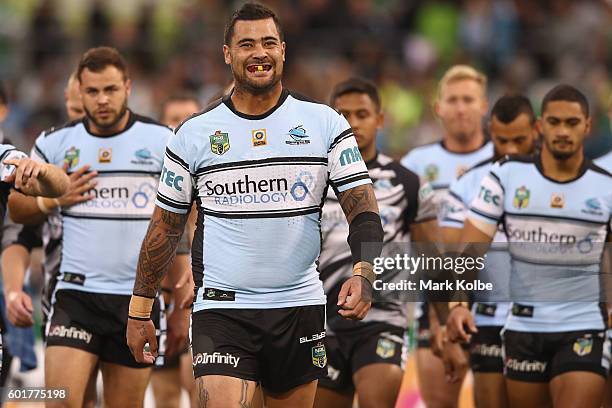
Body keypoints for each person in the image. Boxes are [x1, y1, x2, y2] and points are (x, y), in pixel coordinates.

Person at [126, 4, 384, 408]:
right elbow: (165, 226)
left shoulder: (326, 123)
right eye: (246, 44)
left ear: (283, 49)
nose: (259, 53)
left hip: (298, 306)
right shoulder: (194, 134)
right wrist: (140, 310)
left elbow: (363, 210)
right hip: (221, 309)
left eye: (268, 43)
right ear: (227, 53)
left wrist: (364, 272)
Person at [8, 46, 174, 408]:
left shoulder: (162, 141)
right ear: (78, 92)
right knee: (60, 402)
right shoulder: (53, 143)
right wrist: (52, 198)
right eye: (93, 91)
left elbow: (179, 219)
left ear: (128, 87)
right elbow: (16, 210)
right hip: (75, 295)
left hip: (137, 301)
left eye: (110, 89)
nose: (102, 99)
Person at [447, 85, 612, 408]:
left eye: (572, 122)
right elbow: (469, 251)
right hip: (523, 326)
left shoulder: (606, 186)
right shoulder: (505, 177)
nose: (563, 131)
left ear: (588, 126)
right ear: (540, 126)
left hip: (584, 326)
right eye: (554, 122)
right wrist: (457, 304)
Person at [314, 77, 436, 408]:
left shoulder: (408, 183)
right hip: (322, 321)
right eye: (344, 115)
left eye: (362, 114)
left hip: (383, 319)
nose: (353, 123)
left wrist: (440, 319)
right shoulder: (312, 179)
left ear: (380, 120)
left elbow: (433, 257)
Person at [400, 64, 493, 408]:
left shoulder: (505, 159)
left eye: (468, 99)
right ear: (438, 108)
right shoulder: (416, 164)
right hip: (434, 301)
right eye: (452, 99)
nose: (460, 107)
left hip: (497, 301)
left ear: (484, 105)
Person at [438, 94, 538, 408]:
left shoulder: (557, 178)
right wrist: (448, 322)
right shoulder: (468, 183)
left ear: (536, 130)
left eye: (519, 140)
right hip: (488, 320)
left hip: (546, 319)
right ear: (490, 131)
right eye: (501, 140)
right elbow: (448, 261)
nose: (509, 150)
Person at [151, 93, 201, 408]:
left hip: (198, 295)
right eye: (173, 119)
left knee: (196, 387)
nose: (181, 126)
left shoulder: (211, 171)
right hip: (161, 296)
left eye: (189, 118)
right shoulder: (151, 177)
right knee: (165, 394)